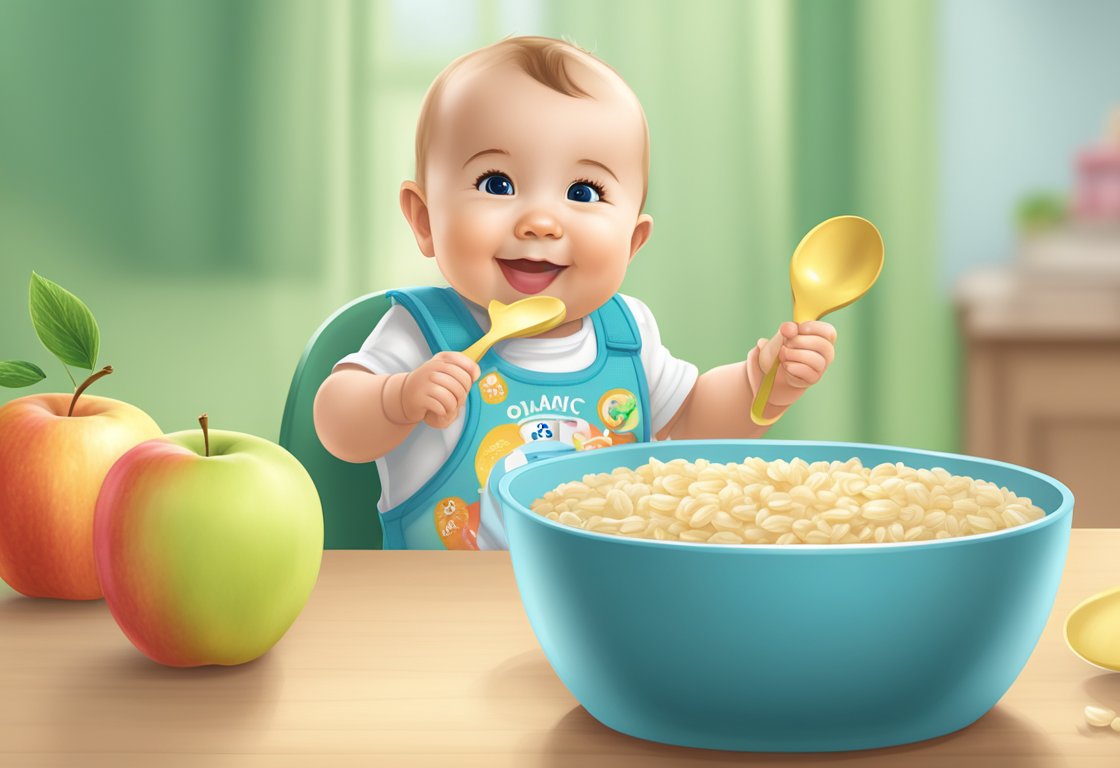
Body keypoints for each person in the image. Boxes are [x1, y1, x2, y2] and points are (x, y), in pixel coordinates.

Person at [313, 36, 838, 550]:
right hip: (447, 610)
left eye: (583, 192)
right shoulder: (427, 333)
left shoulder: (626, 335)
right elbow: (336, 423)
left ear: (631, 244)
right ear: (425, 220)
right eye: (497, 183)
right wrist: (397, 397)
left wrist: (762, 382)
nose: (541, 221)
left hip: (602, 602)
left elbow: (695, 416)